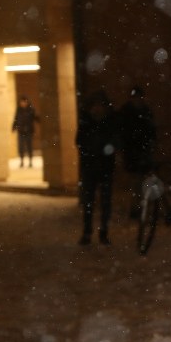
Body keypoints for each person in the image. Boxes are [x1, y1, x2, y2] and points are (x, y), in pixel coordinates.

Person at [76, 90, 119, 246]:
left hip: (105, 166)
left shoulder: (109, 121)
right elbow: (79, 141)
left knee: (105, 202)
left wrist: (105, 149)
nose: (98, 108)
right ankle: (87, 232)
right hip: (90, 167)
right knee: (89, 202)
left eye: (100, 105)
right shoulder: (86, 121)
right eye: (95, 105)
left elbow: (115, 141)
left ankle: (103, 232)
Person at [119, 85, 157, 218]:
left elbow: (151, 131)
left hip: (142, 152)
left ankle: (139, 208)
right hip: (133, 153)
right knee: (135, 182)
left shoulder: (143, 112)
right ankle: (135, 208)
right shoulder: (127, 112)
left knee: (141, 182)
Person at [12, 95, 38, 168]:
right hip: (21, 131)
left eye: (24, 102)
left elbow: (35, 117)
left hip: (29, 131)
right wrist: (13, 127)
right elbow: (16, 118)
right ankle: (22, 161)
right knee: (21, 147)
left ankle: (30, 161)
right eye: (22, 102)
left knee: (29, 147)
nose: (23, 103)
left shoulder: (31, 109)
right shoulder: (19, 109)